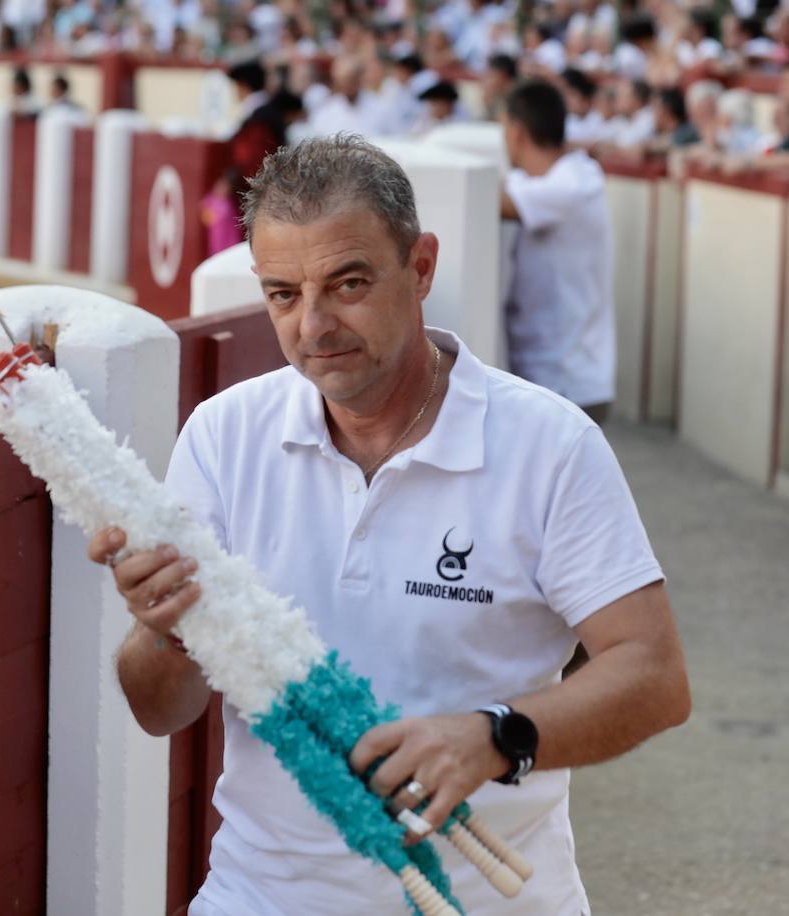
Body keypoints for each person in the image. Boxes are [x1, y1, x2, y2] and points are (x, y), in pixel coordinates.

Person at [88, 135, 690, 914]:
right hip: (261, 896)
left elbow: (654, 676)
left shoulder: (549, 443)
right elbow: (160, 709)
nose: (313, 326)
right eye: (282, 294)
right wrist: (163, 631)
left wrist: (495, 738)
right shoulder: (223, 434)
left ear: (423, 267)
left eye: (348, 283)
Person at [500, 79, 616, 424]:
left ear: (517, 132)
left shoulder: (575, 182)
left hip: (568, 380)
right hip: (548, 375)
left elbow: (494, 198)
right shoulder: (544, 179)